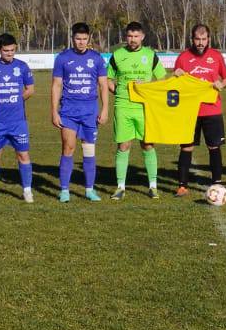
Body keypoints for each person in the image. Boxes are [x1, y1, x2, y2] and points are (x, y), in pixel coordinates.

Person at [50, 21, 109, 202]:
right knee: (68, 147)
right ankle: (65, 190)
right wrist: (54, 111)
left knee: (89, 150)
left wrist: (105, 108)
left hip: (90, 112)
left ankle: (89, 190)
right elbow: (56, 85)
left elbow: (103, 85)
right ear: (72, 38)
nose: (81, 42)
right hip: (68, 111)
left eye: (84, 39)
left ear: (89, 38)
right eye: (78, 39)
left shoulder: (97, 59)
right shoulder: (62, 58)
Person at [106, 21, 166, 199]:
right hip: (123, 106)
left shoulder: (150, 55)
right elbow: (108, 79)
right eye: (130, 36)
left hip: (145, 108)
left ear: (142, 37)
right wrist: (117, 91)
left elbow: (162, 79)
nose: (132, 40)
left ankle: (153, 186)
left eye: (136, 36)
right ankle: (120, 187)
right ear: (126, 37)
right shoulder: (117, 55)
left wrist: (147, 86)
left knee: (147, 145)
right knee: (124, 145)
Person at [172, 23, 226, 196]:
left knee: (214, 147)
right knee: (186, 147)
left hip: (212, 110)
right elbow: (175, 85)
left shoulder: (216, 56)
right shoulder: (183, 58)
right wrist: (176, 77)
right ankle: (182, 185)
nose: (200, 42)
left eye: (204, 39)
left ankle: (217, 183)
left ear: (209, 39)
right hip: (189, 111)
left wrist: (222, 84)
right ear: (192, 39)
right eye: (197, 39)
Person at [0, 34, 35, 203]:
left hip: (18, 122)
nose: (9, 54)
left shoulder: (22, 67)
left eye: (12, 50)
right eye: (6, 51)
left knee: (23, 155)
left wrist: (17, 100)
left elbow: (30, 89)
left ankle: (27, 191)